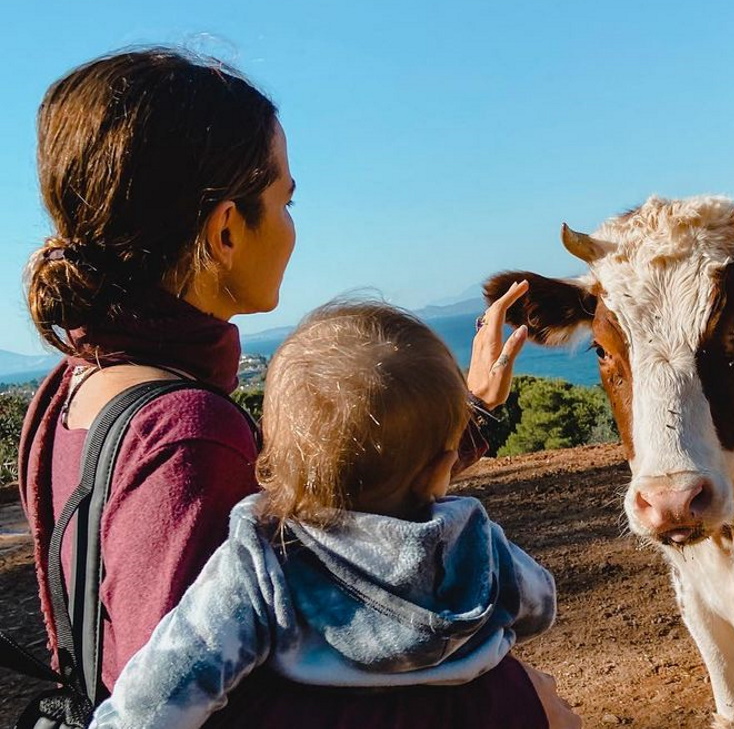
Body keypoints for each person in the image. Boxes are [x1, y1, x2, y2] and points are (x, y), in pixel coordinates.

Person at [20, 47, 578, 727]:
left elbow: (335, 511)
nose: (291, 226)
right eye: (285, 200)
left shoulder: (66, 391)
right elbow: (223, 712)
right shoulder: (187, 429)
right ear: (227, 228)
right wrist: (514, 705)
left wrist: (472, 416)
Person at [90, 300, 558, 727]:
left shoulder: (262, 561)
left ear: (272, 453)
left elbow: (165, 691)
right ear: (443, 468)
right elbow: (538, 607)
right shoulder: (479, 542)